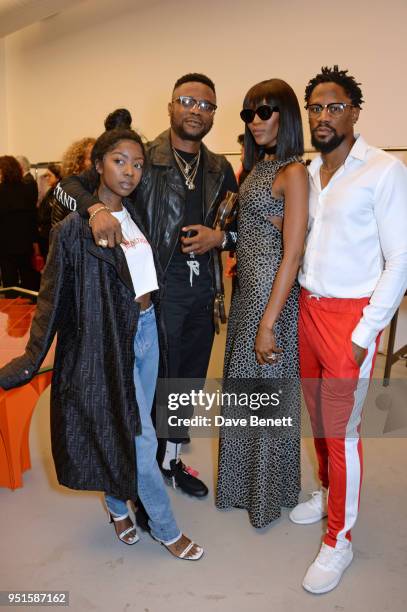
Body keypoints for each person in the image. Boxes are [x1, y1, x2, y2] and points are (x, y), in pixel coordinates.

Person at [0, 127, 203, 561]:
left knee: (125, 433)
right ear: (98, 165)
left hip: (149, 334)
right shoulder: (75, 230)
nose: (130, 171)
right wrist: (29, 360)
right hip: (112, 344)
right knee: (142, 440)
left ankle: (116, 506)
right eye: (118, 161)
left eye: (137, 163)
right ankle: (167, 530)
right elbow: (51, 301)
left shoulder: (136, 215)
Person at [53, 73, 238, 498]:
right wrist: (96, 208)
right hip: (151, 296)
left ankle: (170, 461)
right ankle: (139, 473)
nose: (196, 110)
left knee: (186, 384)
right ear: (171, 106)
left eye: (206, 104)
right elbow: (68, 188)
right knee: (143, 393)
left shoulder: (219, 167)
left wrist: (220, 240)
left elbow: (241, 225)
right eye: (187, 100)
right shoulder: (143, 156)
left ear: (213, 114)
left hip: (203, 296)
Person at [289, 66, 407, 594]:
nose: (323, 115)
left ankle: (340, 539)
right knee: (316, 417)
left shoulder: (382, 170)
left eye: (334, 106)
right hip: (308, 310)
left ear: (355, 111)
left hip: (350, 319)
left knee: (343, 432)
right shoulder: (310, 172)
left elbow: (401, 258)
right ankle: (326, 489)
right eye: (315, 107)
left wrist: (365, 333)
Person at [215, 79, 308, 528]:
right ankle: (240, 486)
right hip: (248, 293)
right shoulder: (260, 166)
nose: (254, 121)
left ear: (285, 115)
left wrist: (268, 322)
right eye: (248, 113)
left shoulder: (293, 171)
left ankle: (267, 495)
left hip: (269, 300)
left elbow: (292, 252)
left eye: (264, 111)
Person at [0, 155, 40, 290]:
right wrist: (35, 244)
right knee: (29, 280)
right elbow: (33, 219)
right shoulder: (27, 189)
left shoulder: (1, 191)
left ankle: (12, 310)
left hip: (5, 245)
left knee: (9, 283)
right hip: (25, 243)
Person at [51, 136, 95, 226]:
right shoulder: (65, 190)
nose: (97, 162)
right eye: (92, 158)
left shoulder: (100, 188)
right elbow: (58, 228)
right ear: (79, 161)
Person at [37, 164, 62, 259]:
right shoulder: (51, 190)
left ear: (57, 177)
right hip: (46, 234)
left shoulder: (60, 192)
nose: (46, 178)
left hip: (52, 235)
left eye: (49, 175)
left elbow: (53, 214)